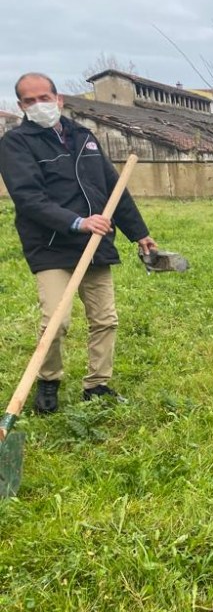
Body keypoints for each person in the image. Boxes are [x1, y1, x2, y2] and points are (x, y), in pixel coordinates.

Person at [0, 72, 157, 414]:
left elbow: (115, 190)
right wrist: (78, 222)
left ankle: (97, 385)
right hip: (51, 245)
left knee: (105, 319)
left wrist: (139, 233)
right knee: (56, 322)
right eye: (30, 101)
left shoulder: (84, 137)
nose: (38, 105)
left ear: (58, 100)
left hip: (95, 243)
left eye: (44, 98)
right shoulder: (16, 144)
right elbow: (28, 198)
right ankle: (49, 381)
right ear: (21, 106)